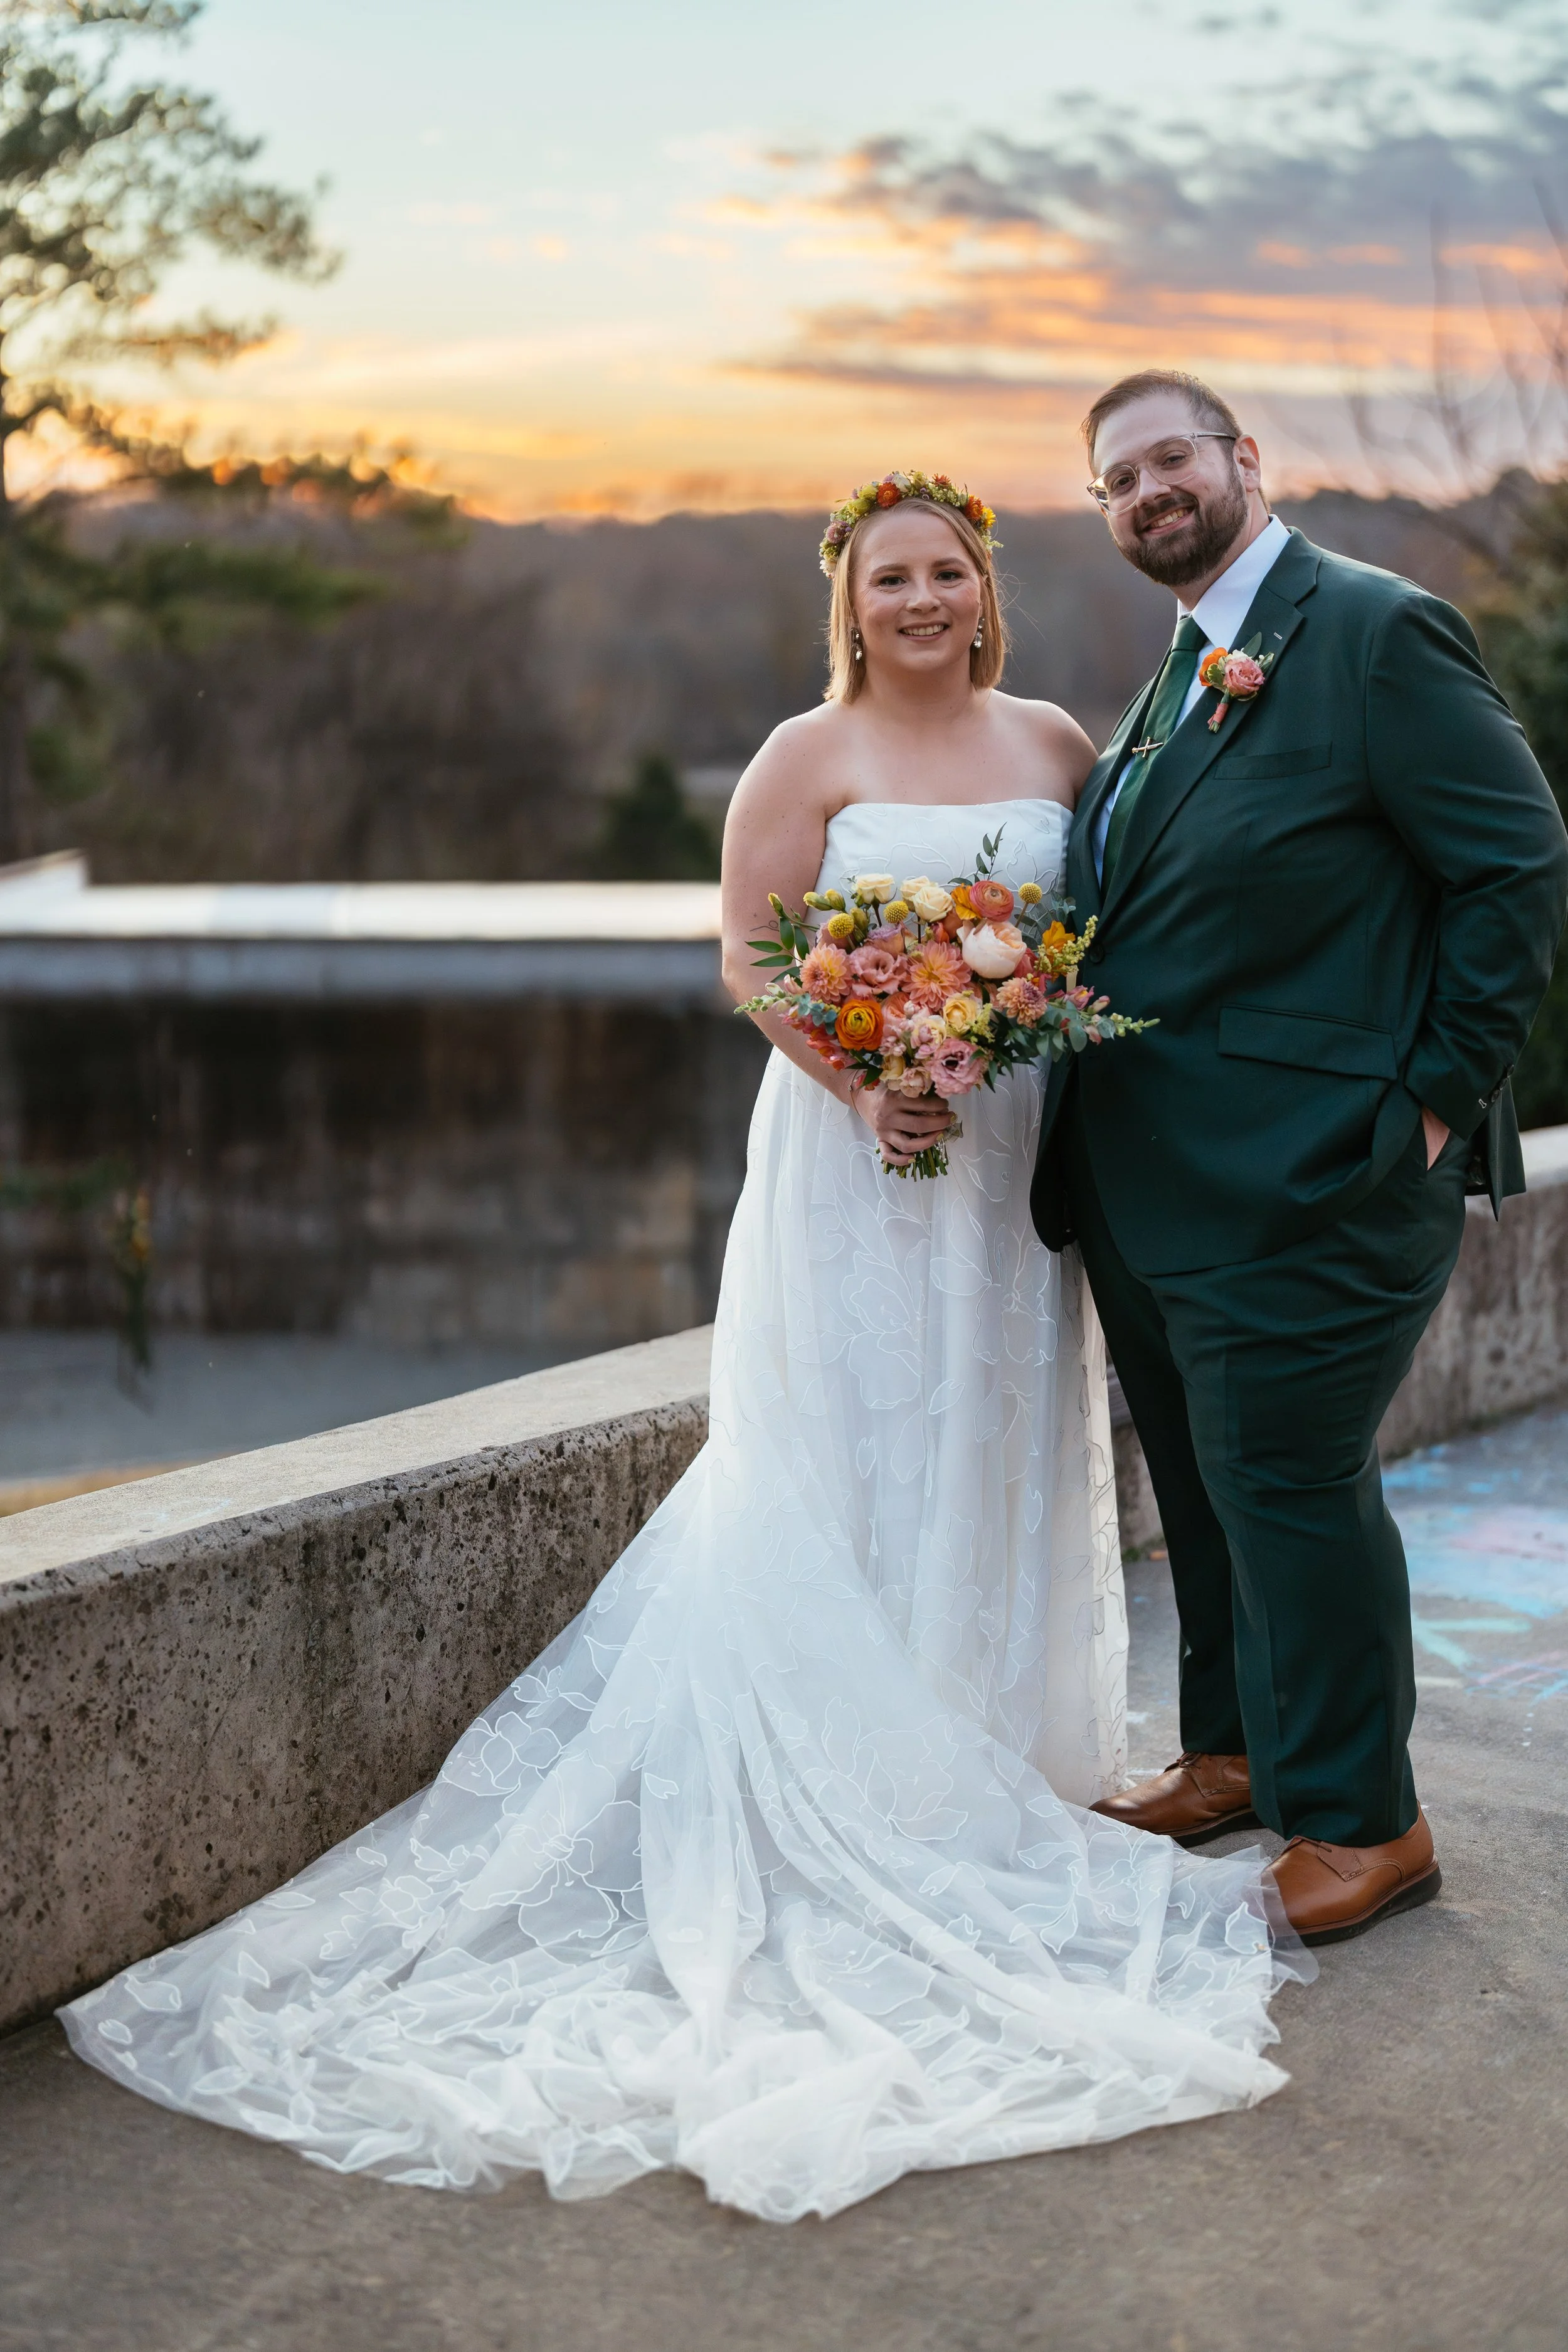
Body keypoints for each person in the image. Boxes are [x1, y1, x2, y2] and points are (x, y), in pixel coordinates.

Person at [61, 470, 1307, 2226]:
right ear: (849, 598)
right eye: (891, 576)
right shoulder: (804, 753)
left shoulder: (1051, 741)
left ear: (985, 587)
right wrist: (865, 1073)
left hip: (1010, 1159)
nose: (922, 599)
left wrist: (999, 1025)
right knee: (853, 1435)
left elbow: (1105, 930)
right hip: (855, 1161)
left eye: (947, 571)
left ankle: (975, 1757)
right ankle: (847, 1780)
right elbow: (747, 952)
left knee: (989, 1429)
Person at [1033, 370, 1568, 1942]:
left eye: (1170, 459)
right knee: (1206, 1493)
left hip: (1315, 1177)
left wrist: (1429, 1102)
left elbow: (1514, 863)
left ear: (1243, 459)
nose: (1147, 492)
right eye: (1116, 478)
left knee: (1287, 1485)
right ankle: (1234, 1754)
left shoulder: (1372, 631)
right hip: (1153, 1181)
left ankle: (1360, 1823)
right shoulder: (1177, 673)